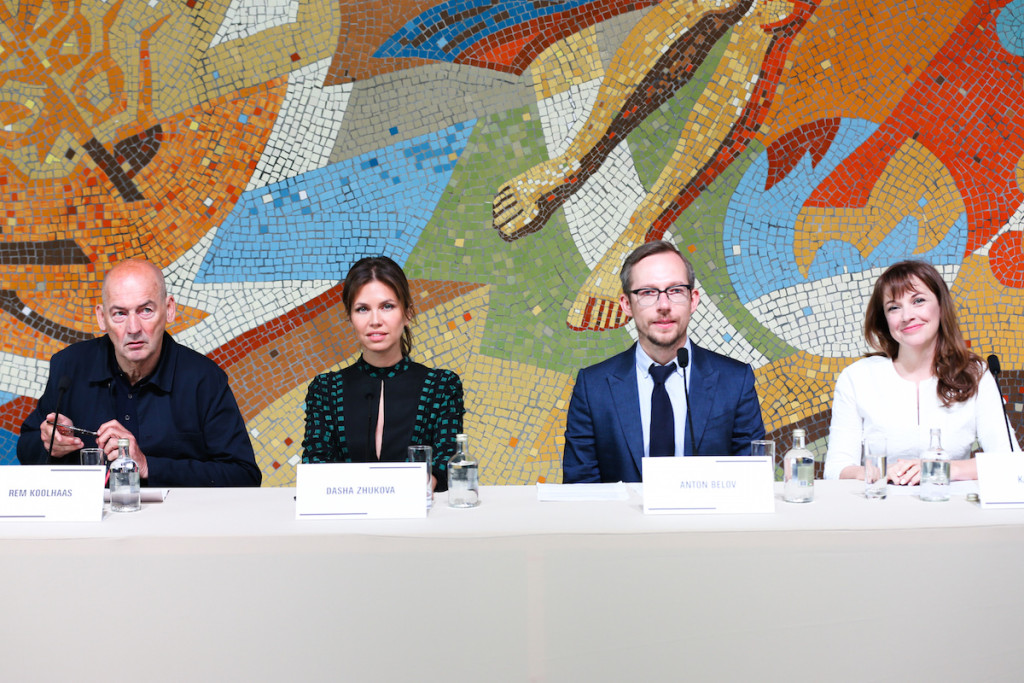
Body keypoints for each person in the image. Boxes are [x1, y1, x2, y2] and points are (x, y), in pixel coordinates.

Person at [17, 259, 261, 486]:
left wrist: (146, 466)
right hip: (92, 526)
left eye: (145, 311)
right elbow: (26, 447)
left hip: (174, 526)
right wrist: (49, 443)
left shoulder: (204, 379)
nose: (133, 328)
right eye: (120, 314)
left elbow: (244, 476)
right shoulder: (69, 366)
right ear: (102, 318)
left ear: (170, 309)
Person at [563, 241, 765, 483]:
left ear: (693, 300)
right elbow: (580, 488)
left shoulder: (735, 381)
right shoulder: (592, 387)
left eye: (676, 290)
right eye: (648, 293)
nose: (664, 306)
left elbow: (751, 483)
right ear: (626, 304)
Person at [824, 260, 1018, 483]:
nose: (907, 316)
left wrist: (941, 469)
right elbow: (835, 469)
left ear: (941, 306)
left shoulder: (976, 373)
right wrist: (872, 473)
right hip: (879, 510)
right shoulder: (856, 377)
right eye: (894, 307)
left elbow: (1010, 461)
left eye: (918, 300)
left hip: (952, 511)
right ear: (884, 319)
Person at [301, 256, 464, 491]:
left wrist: (421, 487)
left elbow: (447, 465)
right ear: (350, 317)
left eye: (387, 306)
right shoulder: (325, 389)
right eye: (362, 309)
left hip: (419, 519)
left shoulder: (442, 385)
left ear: (407, 313)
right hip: (344, 520)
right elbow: (315, 466)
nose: (375, 321)